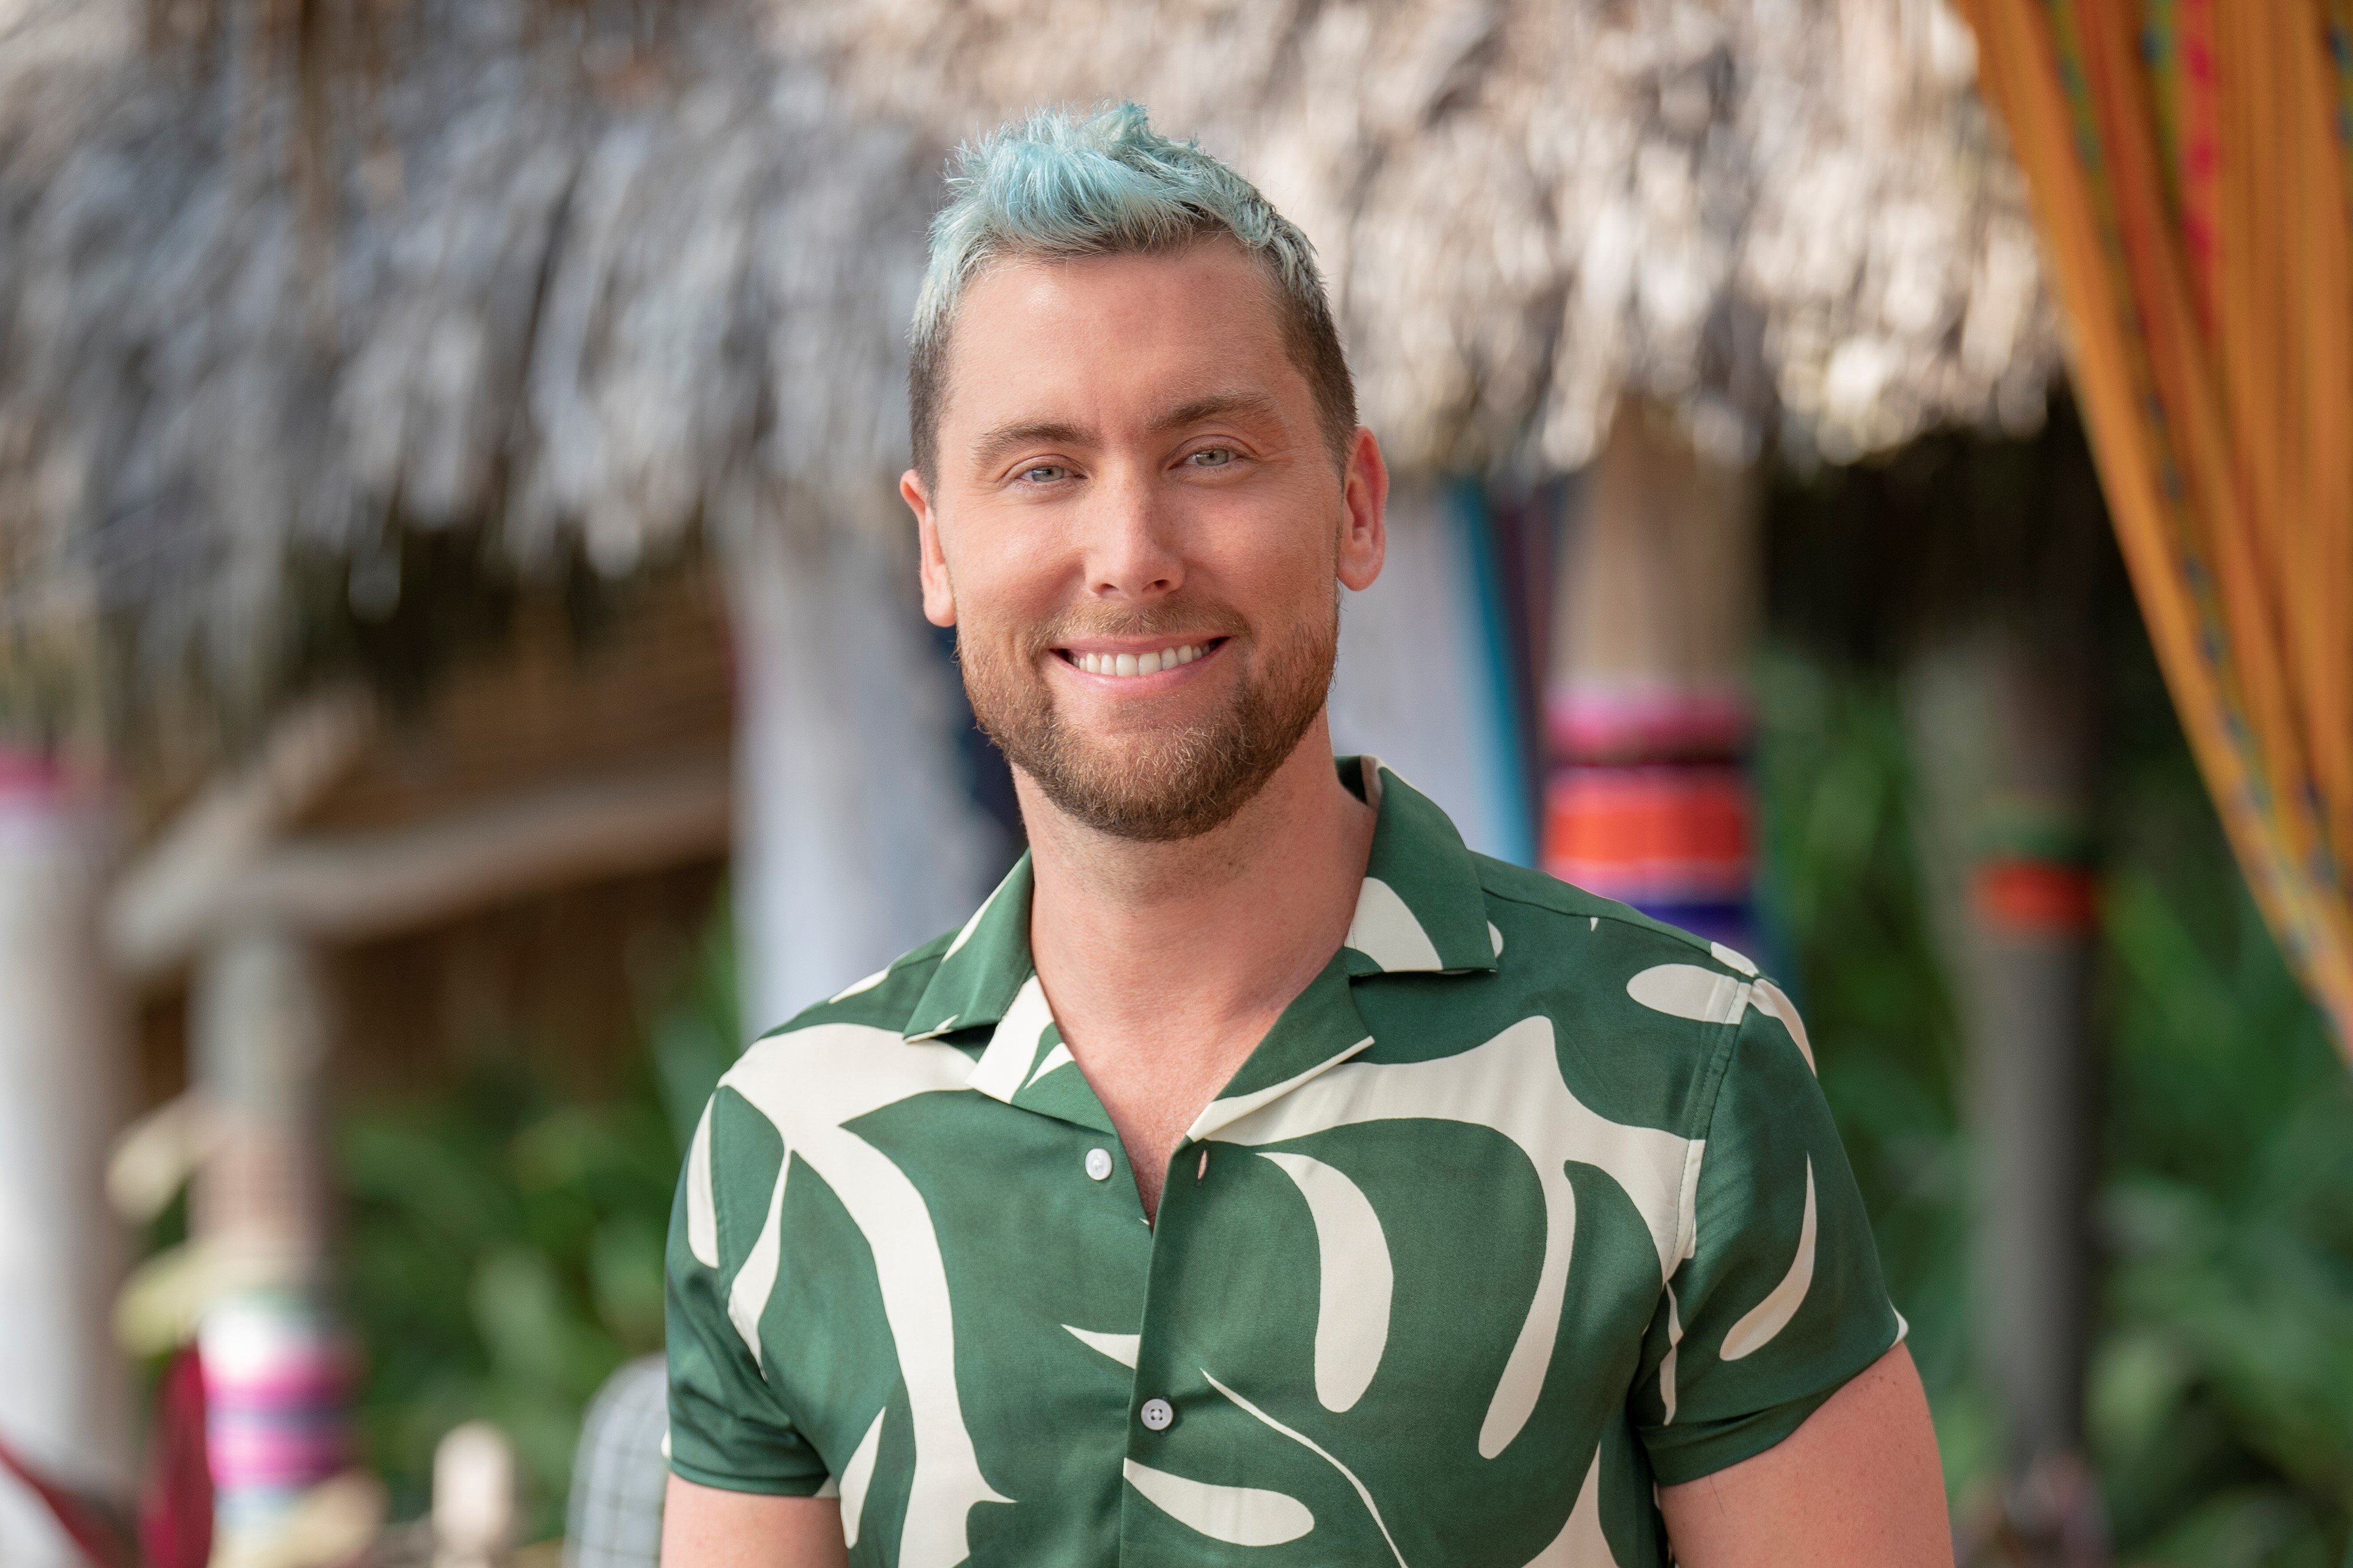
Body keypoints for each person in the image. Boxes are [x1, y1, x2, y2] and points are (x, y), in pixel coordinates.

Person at [659, 103, 1951, 1568]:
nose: (1130, 553)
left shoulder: (1684, 1076)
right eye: (1040, 469)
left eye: (1208, 454)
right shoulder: (785, 1145)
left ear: (1352, 503)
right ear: (935, 546)